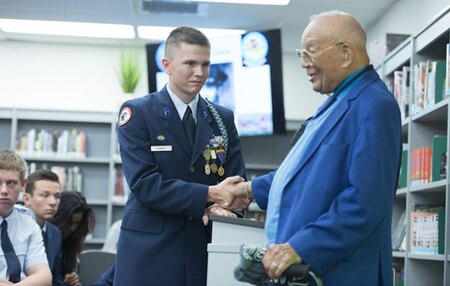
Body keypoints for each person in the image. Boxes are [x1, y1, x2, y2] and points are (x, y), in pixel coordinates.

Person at [232, 11, 402, 285]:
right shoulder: (336, 102)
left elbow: (365, 202)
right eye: (301, 52)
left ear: (345, 54)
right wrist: (248, 190)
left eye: (310, 52)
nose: (303, 63)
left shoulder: (375, 105)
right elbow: (305, 172)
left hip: (342, 274)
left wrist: (300, 247)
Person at [114, 26, 247, 286]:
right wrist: (210, 196)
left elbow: (236, 180)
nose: (200, 73)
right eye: (190, 63)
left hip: (205, 244)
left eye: (206, 64)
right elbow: (144, 183)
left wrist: (225, 205)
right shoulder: (138, 112)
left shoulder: (222, 118)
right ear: (167, 64)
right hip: (152, 248)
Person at [0, 149, 52, 285]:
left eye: (11, 183)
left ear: (23, 185)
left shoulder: (29, 224)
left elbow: (44, 277)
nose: (4, 190)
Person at [23, 170, 65, 286]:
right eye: (45, 195)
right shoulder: (11, 228)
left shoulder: (55, 233)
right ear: (27, 199)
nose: (53, 202)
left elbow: (56, 278)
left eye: (57, 196)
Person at [50, 191, 95, 286]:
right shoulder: (45, 237)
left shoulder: (71, 242)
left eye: (77, 223)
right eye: (68, 222)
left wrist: (70, 278)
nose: (72, 228)